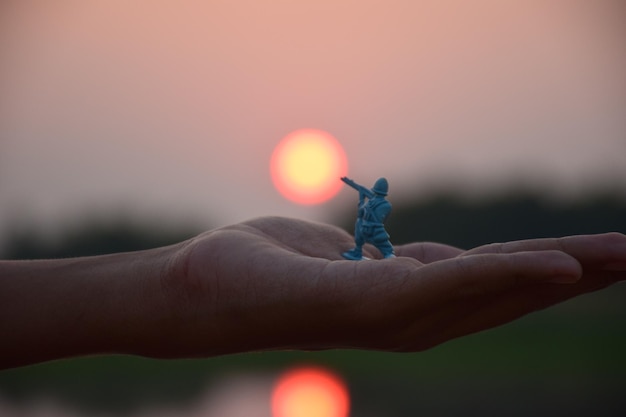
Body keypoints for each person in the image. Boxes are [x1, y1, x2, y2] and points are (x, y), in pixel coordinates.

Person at [1, 216, 625, 370]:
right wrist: (182, 283)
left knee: (373, 243)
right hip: (367, 237)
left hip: (373, 236)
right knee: (369, 245)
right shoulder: (370, 196)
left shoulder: (376, 201)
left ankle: (365, 256)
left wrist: (177, 285)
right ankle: (363, 257)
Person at [341, 177, 395, 260]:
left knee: (386, 248)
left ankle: (358, 251)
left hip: (365, 228)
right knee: (387, 250)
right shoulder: (386, 205)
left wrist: (361, 200)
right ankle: (358, 251)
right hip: (376, 230)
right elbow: (383, 219)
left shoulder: (369, 203)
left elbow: (360, 213)